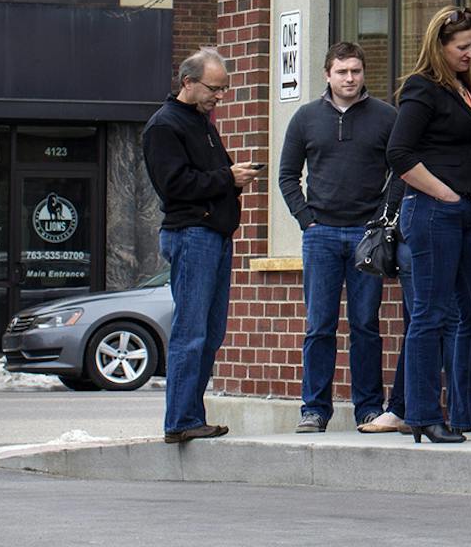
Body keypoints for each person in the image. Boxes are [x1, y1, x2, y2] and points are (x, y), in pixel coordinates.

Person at [387, 6, 471, 444]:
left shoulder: (462, 87)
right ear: (439, 47)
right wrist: (444, 193)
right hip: (435, 212)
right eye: (463, 46)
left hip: (470, 213)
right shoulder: (422, 89)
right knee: (430, 316)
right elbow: (399, 154)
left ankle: (470, 414)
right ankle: (421, 415)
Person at [142, 47, 261, 444]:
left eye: (224, 89)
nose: (219, 96)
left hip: (213, 235)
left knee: (210, 332)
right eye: (214, 88)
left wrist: (230, 177)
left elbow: (208, 174)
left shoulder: (200, 122)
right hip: (193, 235)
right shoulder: (164, 126)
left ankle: (191, 414)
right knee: (191, 332)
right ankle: (180, 419)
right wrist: (228, 179)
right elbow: (174, 185)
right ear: (188, 83)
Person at [279, 41, 397, 433]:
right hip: (321, 235)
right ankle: (314, 409)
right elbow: (287, 175)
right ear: (327, 74)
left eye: (356, 71)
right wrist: (306, 219)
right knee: (319, 325)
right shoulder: (305, 118)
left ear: (365, 74)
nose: (350, 78)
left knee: (366, 324)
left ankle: (368, 408)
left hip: (367, 236)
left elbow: (401, 171)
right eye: (342, 71)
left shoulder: (385, 117)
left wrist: (382, 218)